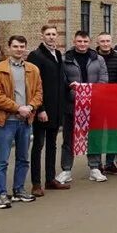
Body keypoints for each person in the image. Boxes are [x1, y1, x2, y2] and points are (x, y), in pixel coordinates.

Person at [0, 35, 44, 208]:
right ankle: (1, 194)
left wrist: (30, 107)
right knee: (2, 160)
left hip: (25, 121)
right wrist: (17, 108)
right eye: (15, 46)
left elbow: (38, 93)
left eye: (22, 46)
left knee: (23, 158)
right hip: (6, 121)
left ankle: (19, 190)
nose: (19, 49)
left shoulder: (33, 69)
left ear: (26, 48)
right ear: (9, 48)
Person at [60, 31, 109, 185]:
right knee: (69, 138)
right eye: (79, 41)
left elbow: (104, 79)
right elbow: (62, 81)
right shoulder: (65, 59)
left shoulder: (98, 59)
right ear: (74, 41)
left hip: (93, 105)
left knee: (94, 137)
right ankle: (66, 170)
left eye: (85, 41)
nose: (82, 44)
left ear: (89, 42)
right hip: (72, 105)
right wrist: (70, 87)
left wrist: (90, 91)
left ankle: (94, 168)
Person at [26, 25, 67, 196]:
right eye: (48, 34)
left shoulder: (57, 54)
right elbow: (33, 84)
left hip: (56, 109)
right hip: (42, 110)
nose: (51, 37)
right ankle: (36, 183)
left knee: (52, 145)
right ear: (42, 36)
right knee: (38, 145)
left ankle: (50, 179)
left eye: (53, 34)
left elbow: (58, 80)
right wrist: (40, 109)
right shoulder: (36, 56)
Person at [95, 32, 117, 175]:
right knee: (98, 132)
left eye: (108, 41)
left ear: (111, 41)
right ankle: (96, 164)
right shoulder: (93, 58)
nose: (105, 43)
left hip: (115, 101)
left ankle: (110, 163)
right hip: (98, 101)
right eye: (102, 41)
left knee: (114, 133)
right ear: (98, 43)